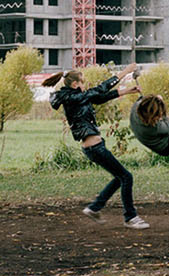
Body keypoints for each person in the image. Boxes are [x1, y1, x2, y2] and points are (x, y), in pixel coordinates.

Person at [47, 68, 148, 228]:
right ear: (75, 84)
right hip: (94, 148)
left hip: (95, 147)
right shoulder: (73, 98)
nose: (84, 83)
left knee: (119, 178)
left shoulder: (76, 97)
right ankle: (130, 217)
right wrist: (125, 72)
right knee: (126, 177)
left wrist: (128, 91)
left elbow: (100, 97)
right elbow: (101, 89)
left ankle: (94, 208)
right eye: (82, 81)